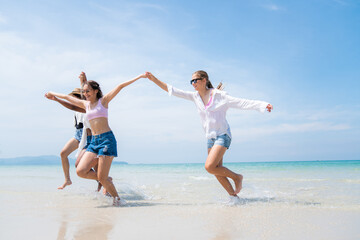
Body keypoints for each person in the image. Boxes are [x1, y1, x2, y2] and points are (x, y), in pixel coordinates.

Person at [146, 70, 273, 198]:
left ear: (204, 80)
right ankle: (235, 199)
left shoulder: (220, 96)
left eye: (195, 80)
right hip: (210, 138)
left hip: (223, 135)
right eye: (191, 81)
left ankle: (237, 177)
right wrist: (154, 79)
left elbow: (242, 103)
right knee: (217, 171)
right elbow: (173, 90)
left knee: (210, 167)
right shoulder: (195, 97)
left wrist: (262, 105)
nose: (193, 83)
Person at [46, 72, 147, 206]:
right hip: (94, 142)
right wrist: (52, 94)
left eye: (88, 91)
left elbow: (120, 86)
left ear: (95, 91)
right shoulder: (85, 105)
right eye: (84, 92)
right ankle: (106, 180)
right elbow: (67, 98)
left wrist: (140, 76)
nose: (85, 94)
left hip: (106, 140)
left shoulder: (103, 101)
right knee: (81, 171)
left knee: (102, 178)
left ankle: (117, 200)